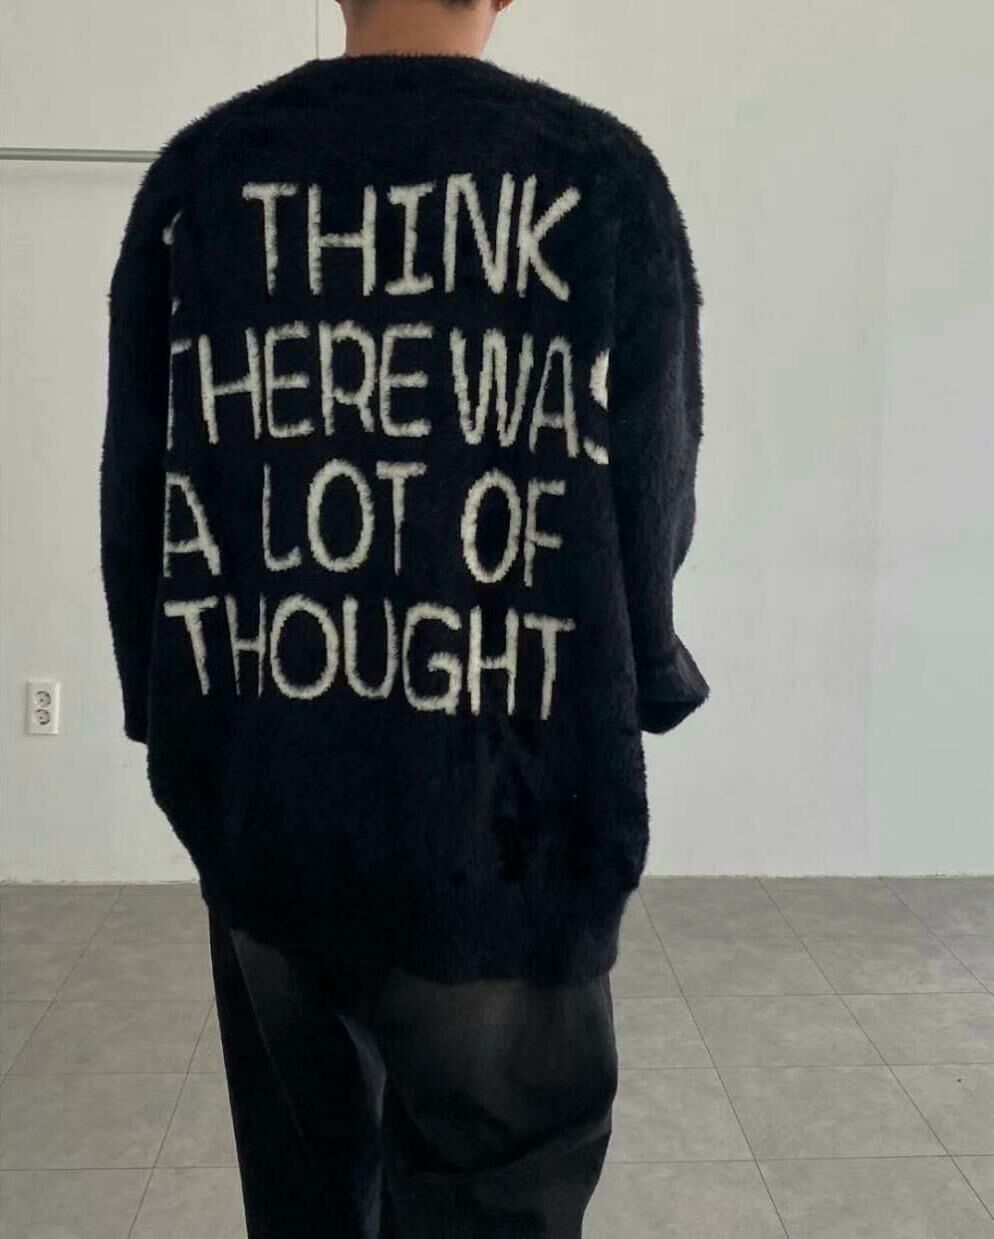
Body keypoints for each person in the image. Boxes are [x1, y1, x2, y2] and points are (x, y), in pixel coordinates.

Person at [99, 0, 709, 1233]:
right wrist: (648, 667)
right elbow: (650, 481)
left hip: (270, 791)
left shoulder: (203, 180)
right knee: (500, 1189)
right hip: (505, 815)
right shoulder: (597, 179)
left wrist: (163, 710)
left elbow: (140, 485)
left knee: (307, 1190)